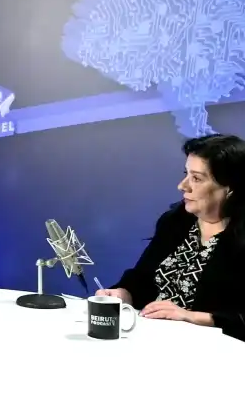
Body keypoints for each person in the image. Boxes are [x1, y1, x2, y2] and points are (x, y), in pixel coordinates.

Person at [97, 134, 245, 341]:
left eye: (196, 178)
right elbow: (143, 278)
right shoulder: (175, 221)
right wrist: (123, 294)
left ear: (230, 188)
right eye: (186, 174)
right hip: (151, 338)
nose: (183, 186)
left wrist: (192, 317)